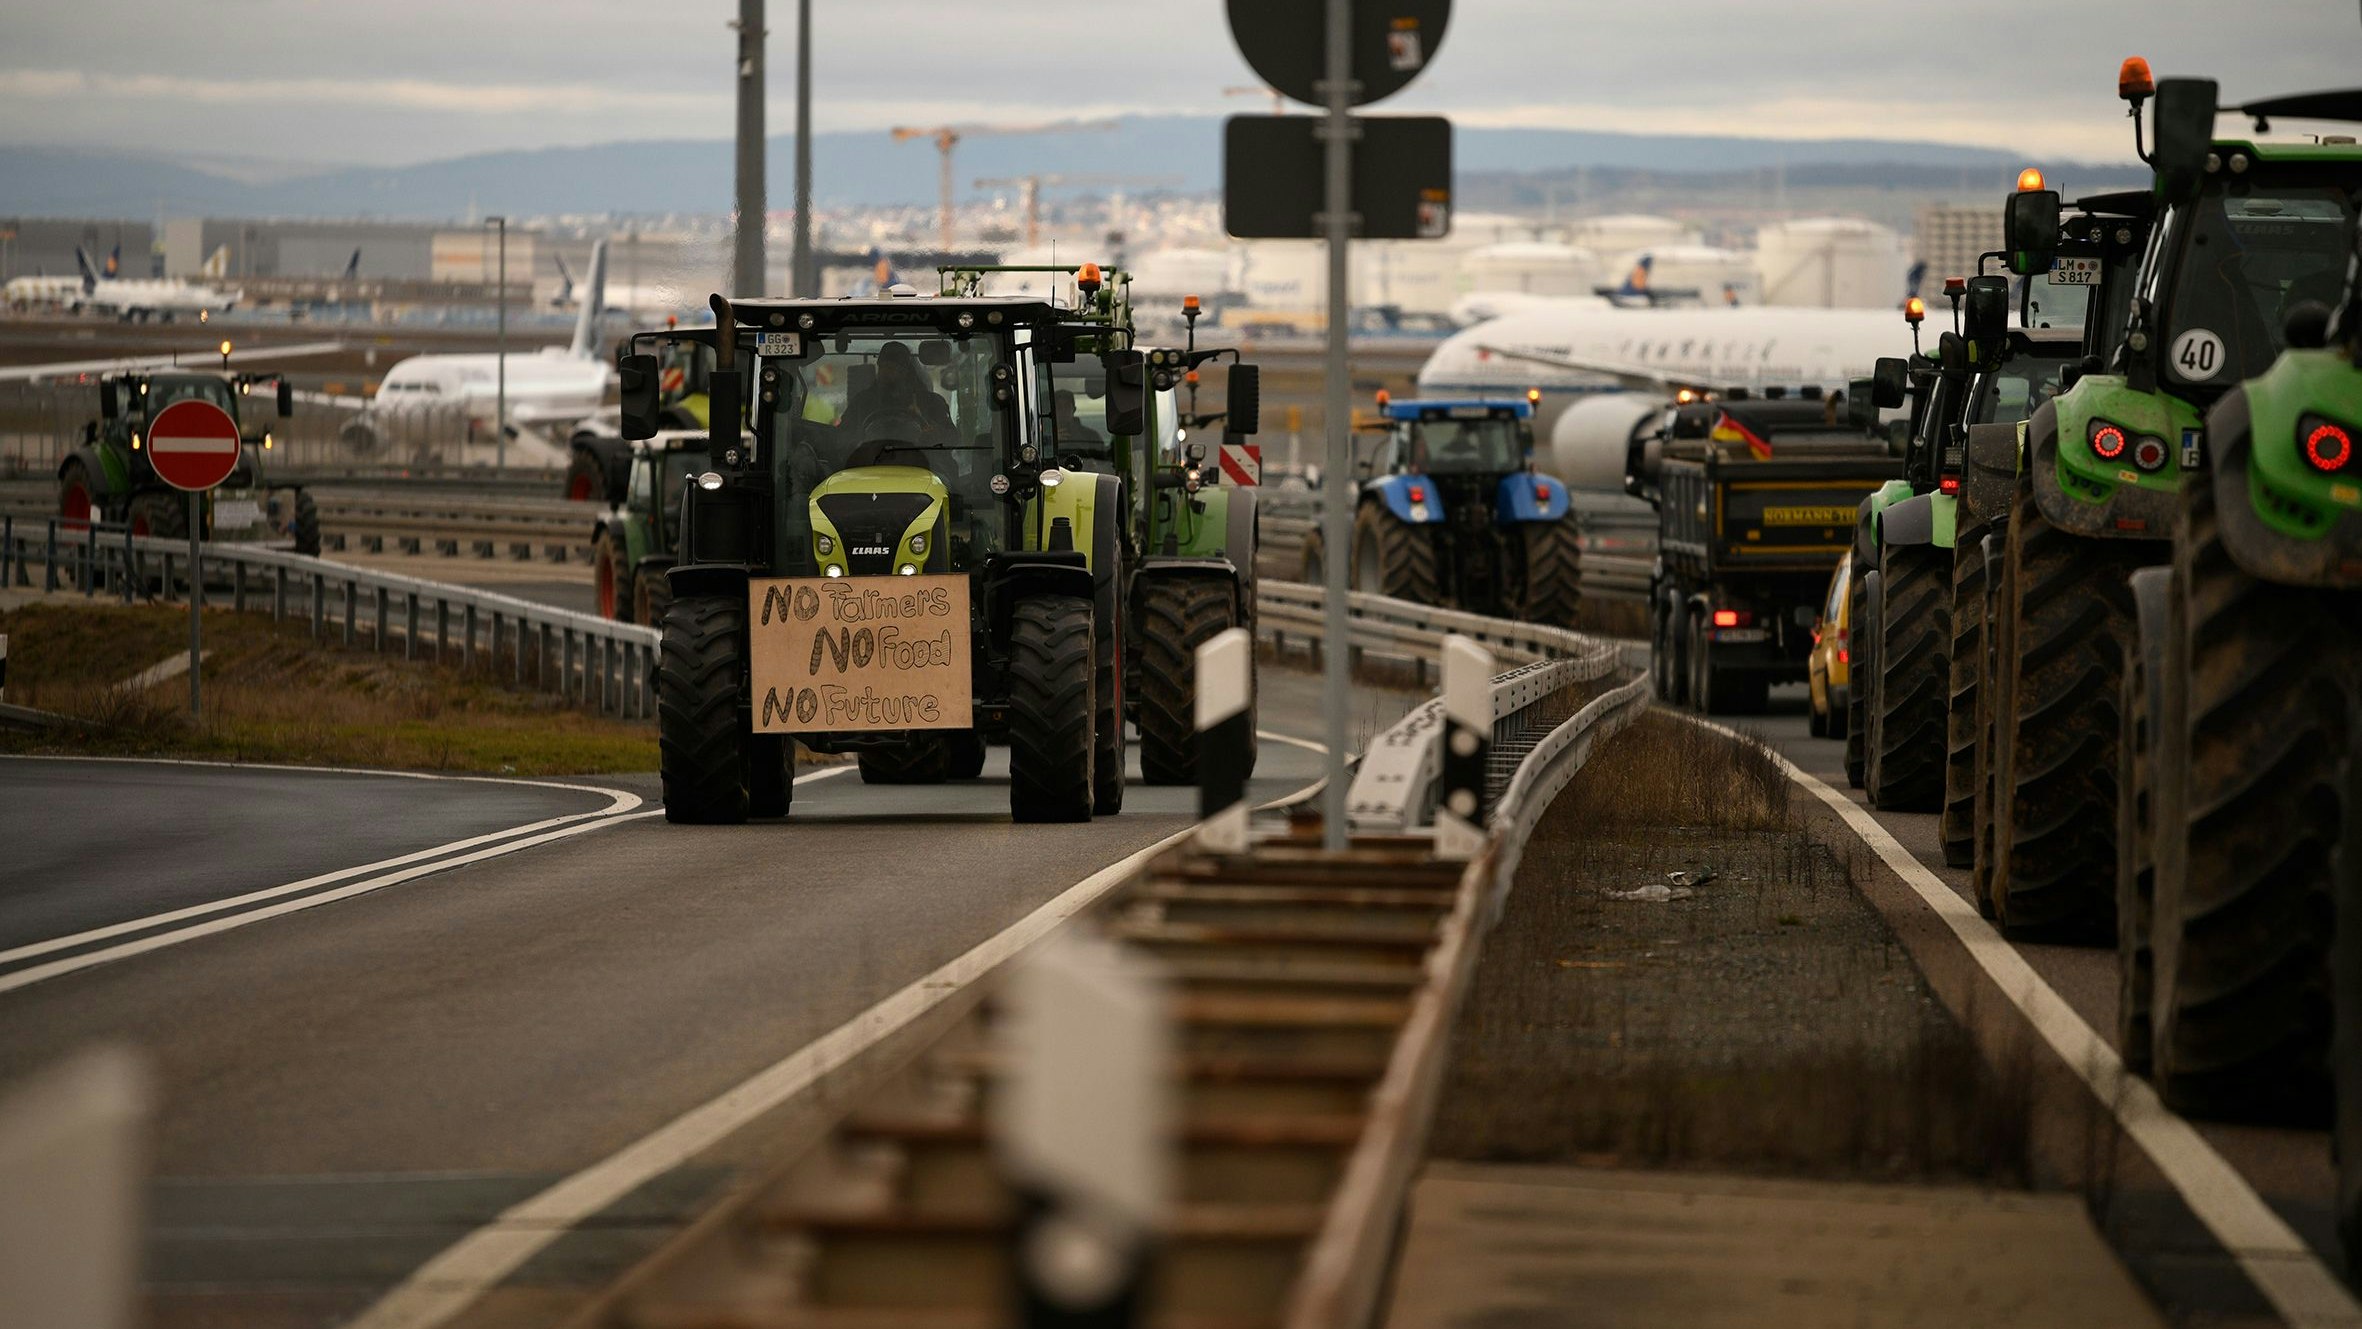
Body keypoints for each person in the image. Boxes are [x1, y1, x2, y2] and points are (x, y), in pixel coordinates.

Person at [841, 341, 951, 444]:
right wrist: (859, 438)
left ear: (905, 372)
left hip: (924, 461)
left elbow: (953, 438)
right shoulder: (861, 402)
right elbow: (842, 436)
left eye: (890, 368)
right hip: (870, 460)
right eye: (882, 367)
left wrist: (932, 430)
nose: (884, 373)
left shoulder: (931, 402)